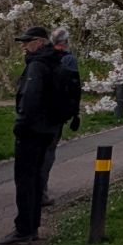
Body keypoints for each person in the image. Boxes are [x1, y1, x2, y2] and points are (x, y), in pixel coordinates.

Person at [0, 26, 62, 245]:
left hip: (32, 131)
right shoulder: (54, 62)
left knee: (25, 180)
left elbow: (31, 98)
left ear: (40, 42)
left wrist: (21, 125)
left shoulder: (37, 66)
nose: (23, 45)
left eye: (27, 41)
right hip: (48, 128)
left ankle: (24, 229)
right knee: (35, 178)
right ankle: (31, 227)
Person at [39, 27, 81, 207]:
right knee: (48, 152)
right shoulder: (68, 59)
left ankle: (35, 188)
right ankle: (41, 191)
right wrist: (74, 113)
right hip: (56, 113)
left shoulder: (42, 57)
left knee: (39, 151)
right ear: (66, 42)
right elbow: (73, 87)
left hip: (38, 111)